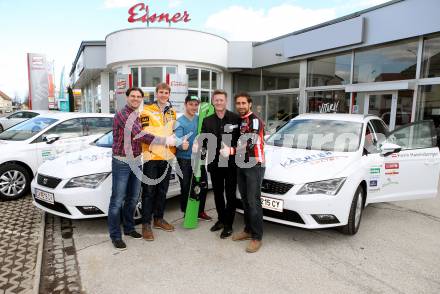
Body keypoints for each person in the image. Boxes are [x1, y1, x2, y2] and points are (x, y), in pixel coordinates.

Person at [108, 87, 175, 250]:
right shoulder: (124, 114)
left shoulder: (138, 113)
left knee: (132, 199)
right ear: (127, 97)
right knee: (117, 200)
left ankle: (130, 229)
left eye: (138, 96)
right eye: (133, 96)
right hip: (122, 161)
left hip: (137, 160)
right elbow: (142, 135)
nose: (136, 99)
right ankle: (116, 236)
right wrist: (165, 140)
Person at [200, 89, 240, 239]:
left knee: (230, 195)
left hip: (231, 163)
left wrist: (231, 151)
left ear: (226, 101)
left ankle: (229, 224)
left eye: (221, 100)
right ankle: (221, 220)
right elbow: (204, 139)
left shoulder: (235, 118)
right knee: (217, 194)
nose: (218, 102)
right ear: (213, 101)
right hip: (215, 163)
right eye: (216, 100)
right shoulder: (207, 120)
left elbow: (242, 141)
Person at [140, 83, 177, 241]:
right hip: (151, 157)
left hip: (167, 157)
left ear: (169, 94)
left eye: (166, 92)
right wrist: (166, 139)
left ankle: (159, 219)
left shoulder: (172, 112)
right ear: (156, 94)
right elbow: (147, 133)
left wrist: (175, 138)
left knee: (163, 190)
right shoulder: (146, 111)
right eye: (161, 92)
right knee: (149, 192)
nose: (163, 95)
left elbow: (173, 131)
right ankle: (146, 224)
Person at [232, 92, 265, 253]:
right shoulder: (241, 121)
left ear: (249, 104)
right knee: (245, 200)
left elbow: (250, 142)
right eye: (238, 103)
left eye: (243, 103)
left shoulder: (255, 120)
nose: (240, 106)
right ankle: (247, 230)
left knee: (253, 201)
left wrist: (231, 151)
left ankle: (257, 237)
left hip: (254, 164)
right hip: (242, 164)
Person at [175, 95, 212, 221]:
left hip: (199, 159)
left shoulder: (200, 119)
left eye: (196, 105)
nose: (194, 107)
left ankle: (200, 211)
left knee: (203, 185)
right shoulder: (179, 121)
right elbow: (178, 141)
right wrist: (182, 144)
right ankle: (188, 213)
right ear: (185, 105)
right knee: (186, 187)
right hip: (184, 160)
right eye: (191, 104)